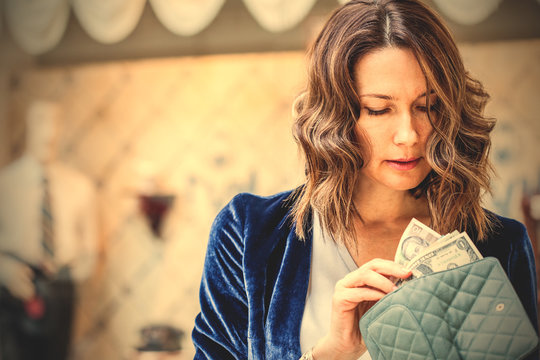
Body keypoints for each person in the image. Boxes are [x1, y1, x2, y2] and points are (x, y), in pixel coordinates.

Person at [192, 0, 538, 359]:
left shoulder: (502, 245)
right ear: (336, 114)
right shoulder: (249, 234)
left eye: (428, 106)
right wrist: (332, 353)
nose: (408, 135)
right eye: (378, 109)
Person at [0, 100, 98, 360]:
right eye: (40, 120)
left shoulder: (79, 186)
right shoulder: (5, 185)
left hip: (61, 287)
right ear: (28, 125)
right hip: (15, 287)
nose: (48, 130)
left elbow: (90, 248)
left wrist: (68, 278)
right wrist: (4, 270)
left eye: (54, 122)